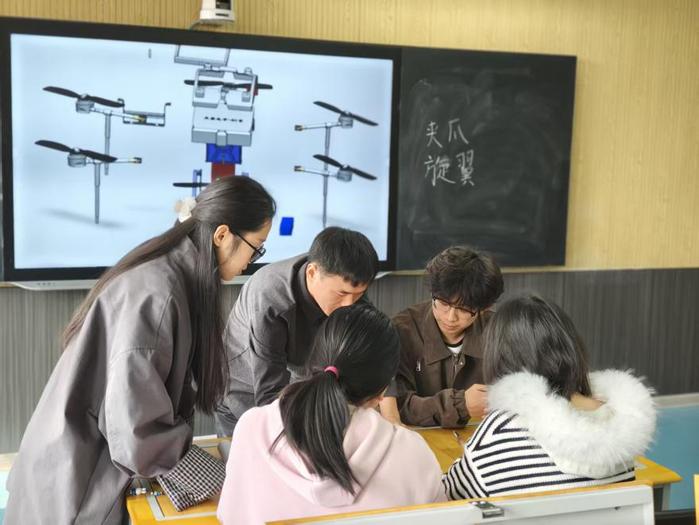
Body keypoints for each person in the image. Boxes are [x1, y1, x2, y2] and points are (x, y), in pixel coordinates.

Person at [5, 176, 276, 524]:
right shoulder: (158, 294)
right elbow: (138, 430)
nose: (252, 261)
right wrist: (226, 482)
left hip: (81, 463)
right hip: (76, 482)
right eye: (257, 247)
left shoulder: (169, 274)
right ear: (222, 235)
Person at [217, 303, 446, 525]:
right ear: (382, 391)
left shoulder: (251, 427)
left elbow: (230, 516)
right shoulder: (412, 452)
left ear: (313, 362)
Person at [443, 294, 656, 499]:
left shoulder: (501, 429)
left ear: (501, 357)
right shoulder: (618, 425)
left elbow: (446, 496)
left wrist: (474, 455)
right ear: (571, 347)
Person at [214, 226, 395, 436]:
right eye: (341, 294)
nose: (349, 305)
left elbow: (377, 349)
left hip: (299, 393)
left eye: (358, 295)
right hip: (244, 396)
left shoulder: (348, 288)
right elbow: (269, 395)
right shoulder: (270, 299)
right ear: (312, 273)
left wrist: (391, 417)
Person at [390, 245, 504, 427]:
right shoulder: (403, 329)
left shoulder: (499, 331)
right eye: (443, 303)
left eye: (464, 309)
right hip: (417, 437)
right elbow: (397, 405)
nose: (450, 317)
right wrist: (460, 405)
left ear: (483, 308)